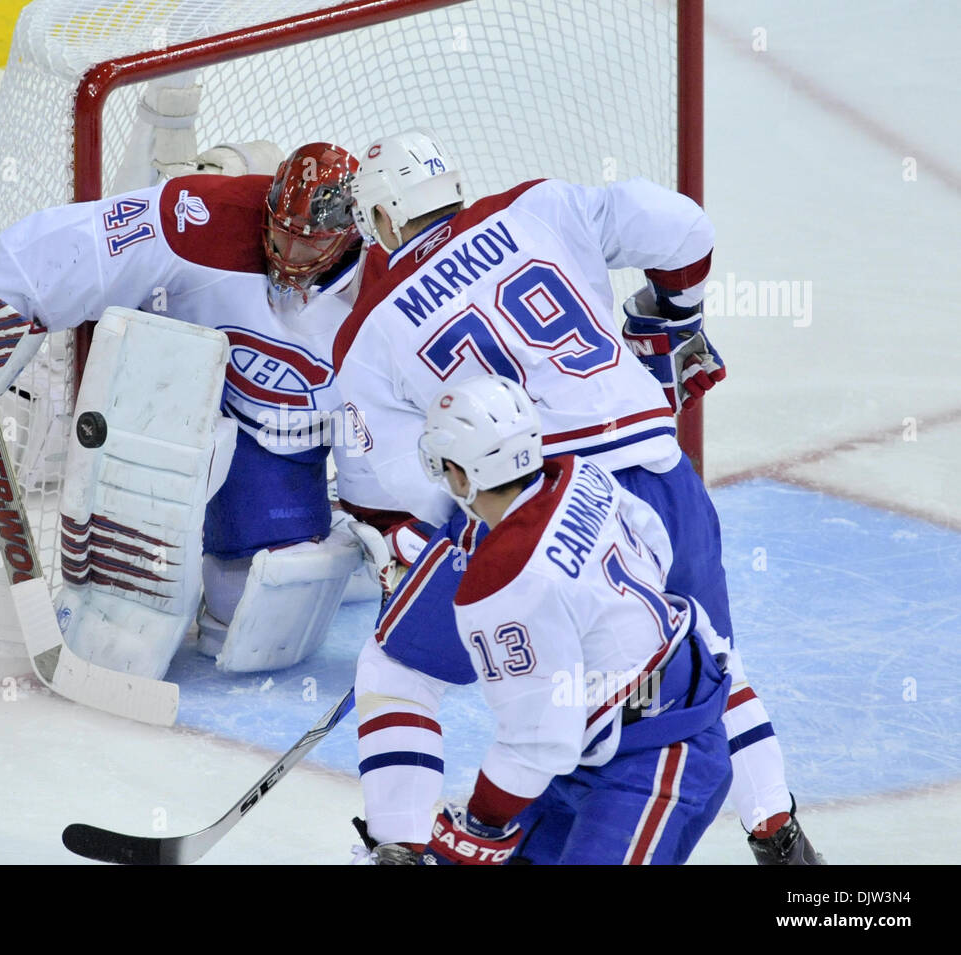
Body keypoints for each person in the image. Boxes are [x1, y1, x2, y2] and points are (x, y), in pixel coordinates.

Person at [337, 130, 822, 864]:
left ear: (380, 220)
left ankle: (400, 846)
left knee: (398, 667)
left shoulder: (367, 333)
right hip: (663, 477)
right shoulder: (542, 204)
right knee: (707, 660)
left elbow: (404, 482)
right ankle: (778, 832)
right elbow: (687, 228)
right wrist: (674, 317)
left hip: (540, 506)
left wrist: (415, 545)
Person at [0, 140, 399, 679]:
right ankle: (116, 605)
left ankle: (330, 538)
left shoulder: (395, 284)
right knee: (127, 540)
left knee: (247, 615)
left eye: (308, 246)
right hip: (165, 396)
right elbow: (71, 248)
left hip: (282, 437)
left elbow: (400, 417)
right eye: (279, 234)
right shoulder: (203, 218)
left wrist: (391, 521)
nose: (287, 256)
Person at [369, 374, 732, 864]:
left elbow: (538, 742)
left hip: (660, 755)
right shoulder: (582, 474)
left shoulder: (501, 587)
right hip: (611, 735)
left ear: (459, 474)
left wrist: (479, 824)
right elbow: (653, 540)